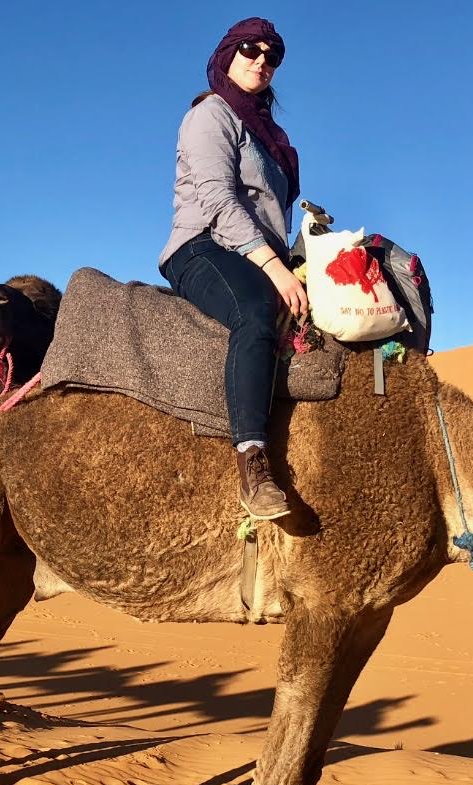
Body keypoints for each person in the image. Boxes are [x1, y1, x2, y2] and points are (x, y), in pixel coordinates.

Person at [160, 17, 308, 520]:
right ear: (228, 54)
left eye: (273, 55)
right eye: (250, 50)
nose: (261, 61)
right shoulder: (211, 115)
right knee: (255, 309)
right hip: (203, 247)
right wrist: (275, 268)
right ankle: (250, 461)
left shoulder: (272, 136)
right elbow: (219, 200)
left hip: (257, 253)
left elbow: (273, 214)